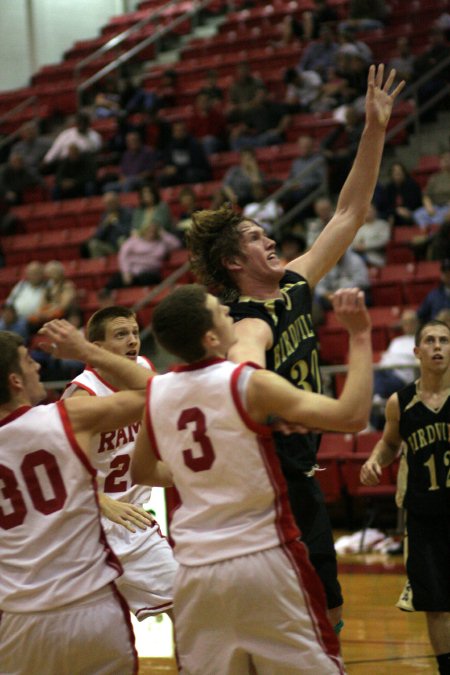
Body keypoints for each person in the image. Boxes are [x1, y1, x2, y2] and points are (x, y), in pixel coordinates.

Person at [186, 64, 405, 632]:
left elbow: (349, 214)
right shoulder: (243, 318)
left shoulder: (293, 283)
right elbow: (245, 359)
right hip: (266, 476)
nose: (272, 239)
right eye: (258, 238)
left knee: (327, 605)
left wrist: (374, 129)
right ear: (235, 263)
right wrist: (255, 388)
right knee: (295, 613)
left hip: (299, 468)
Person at [131, 283, 373, 675]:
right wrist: (360, 335)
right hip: (263, 559)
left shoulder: (157, 391)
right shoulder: (248, 383)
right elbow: (353, 415)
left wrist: (200, 476)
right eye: (221, 312)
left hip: (194, 570)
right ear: (211, 337)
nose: (231, 315)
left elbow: (141, 470)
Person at [0, 318, 158, 674]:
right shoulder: (68, 417)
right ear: (14, 381)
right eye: (28, 360)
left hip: (20, 618)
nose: (38, 365)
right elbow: (158, 391)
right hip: (90, 606)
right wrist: (87, 352)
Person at [63, 306, 178, 621]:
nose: (133, 341)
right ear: (96, 349)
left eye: (134, 333)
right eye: (121, 334)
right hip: (87, 528)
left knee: (190, 608)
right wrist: (101, 502)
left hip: (133, 525)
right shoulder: (81, 398)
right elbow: (63, 472)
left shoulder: (142, 369)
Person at [360, 319, 450, 675]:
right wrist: (374, 460)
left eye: (444, 340)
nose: (438, 346)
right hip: (423, 515)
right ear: (417, 352)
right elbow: (390, 444)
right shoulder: (401, 402)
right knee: (436, 603)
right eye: (430, 340)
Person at [370, 308, 419, 429]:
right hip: (386, 372)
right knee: (374, 375)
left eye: (411, 321)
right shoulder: (396, 341)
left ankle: (377, 402)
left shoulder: (420, 340)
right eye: (405, 322)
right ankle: (373, 418)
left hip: (403, 377)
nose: (408, 325)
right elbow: (385, 359)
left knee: (378, 384)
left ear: (417, 323)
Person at [104, 221, 180, 291]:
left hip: (151, 272)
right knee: (116, 280)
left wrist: (163, 233)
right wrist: (126, 272)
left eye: (154, 230)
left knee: (145, 279)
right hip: (132, 272)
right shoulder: (135, 240)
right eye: (149, 230)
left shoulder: (161, 243)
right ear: (144, 230)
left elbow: (176, 244)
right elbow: (123, 254)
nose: (151, 232)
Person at [83, 191, 133, 259]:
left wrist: (115, 222)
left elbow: (128, 231)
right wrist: (105, 225)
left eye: (111, 203)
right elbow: (98, 236)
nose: (109, 206)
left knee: (122, 240)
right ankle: (100, 267)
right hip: (111, 246)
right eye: (107, 204)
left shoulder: (127, 212)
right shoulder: (105, 215)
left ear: (117, 201)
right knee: (93, 244)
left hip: (125, 243)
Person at [417, 258, 450, 324]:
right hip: (437, 330)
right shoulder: (433, 295)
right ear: (442, 274)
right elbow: (420, 315)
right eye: (446, 273)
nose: (448, 275)